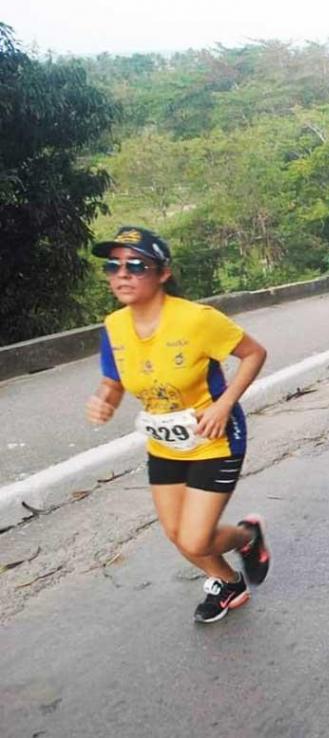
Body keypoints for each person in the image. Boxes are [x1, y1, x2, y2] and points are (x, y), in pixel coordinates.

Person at [85, 227, 271, 624]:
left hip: (214, 437)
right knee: (175, 532)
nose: (122, 274)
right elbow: (113, 379)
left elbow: (254, 353)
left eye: (136, 265)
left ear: (162, 273)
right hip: (165, 441)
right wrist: (105, 398)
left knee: (195, 537)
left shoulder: (196, 319)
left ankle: (247, 538)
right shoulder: (114, 326)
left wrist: (224, 404)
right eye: (113, 266)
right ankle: (228, 582)